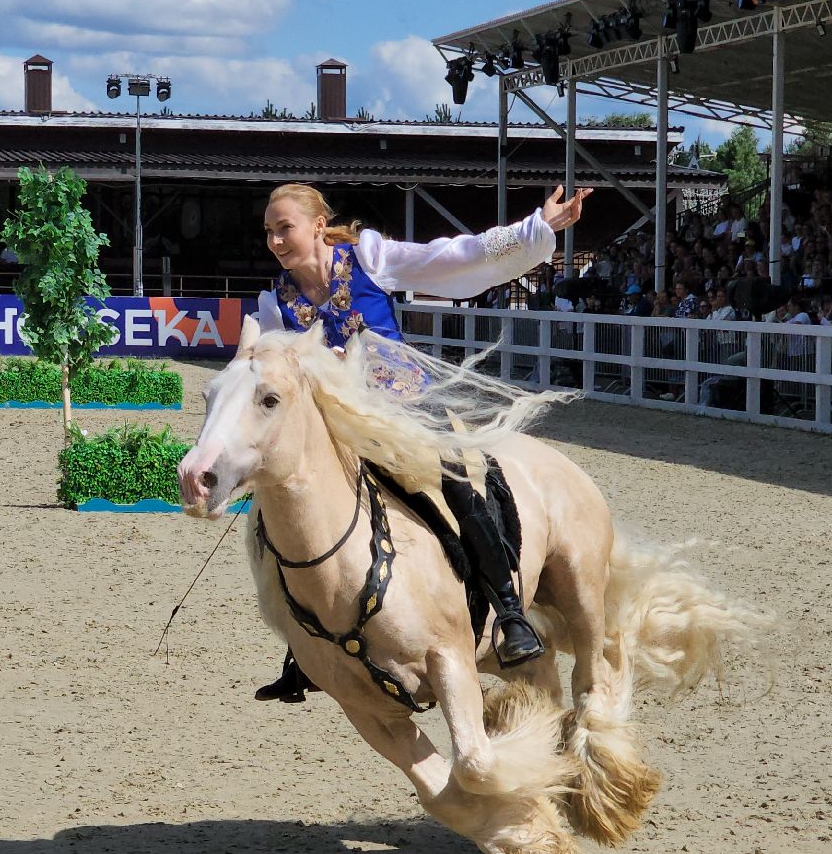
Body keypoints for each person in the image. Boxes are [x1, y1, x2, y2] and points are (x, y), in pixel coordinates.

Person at [251, 180, 591, 703]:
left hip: (406, 404)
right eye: (270, 231)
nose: (275, 240)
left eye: (285, 228)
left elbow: (450, 257)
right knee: (284, 512)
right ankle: (304, 647)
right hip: (339, 426)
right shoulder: (273, 303)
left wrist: (536, 228)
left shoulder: (368, 256)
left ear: (319, 225)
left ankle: (509, 611)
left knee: (458, 480)